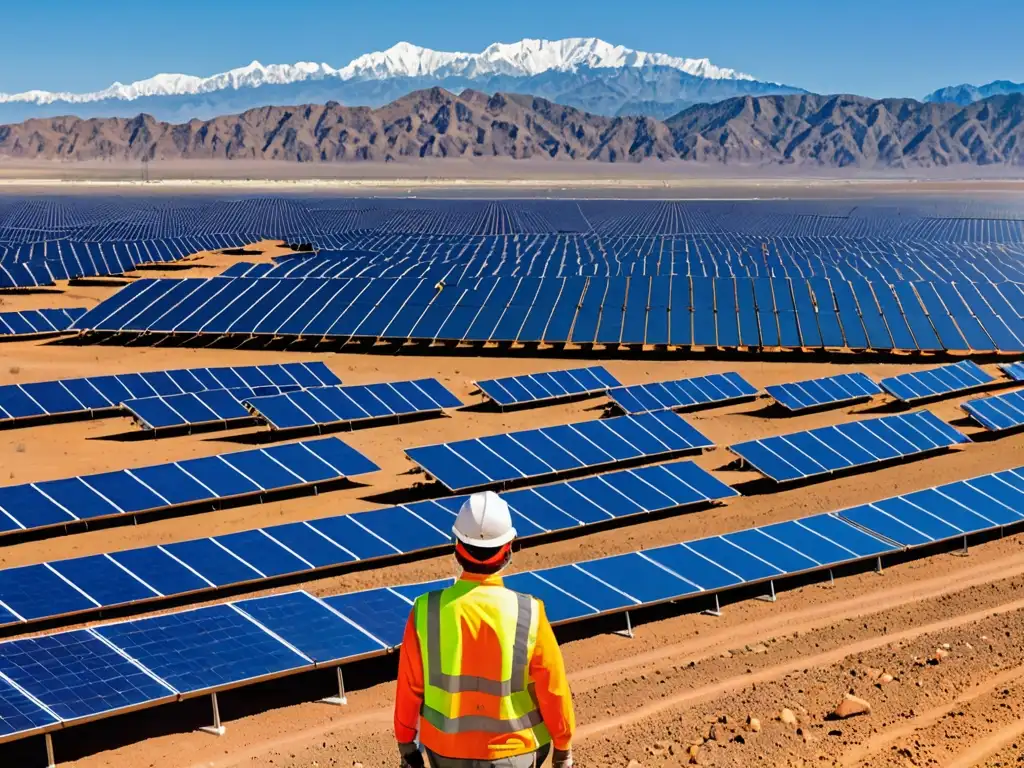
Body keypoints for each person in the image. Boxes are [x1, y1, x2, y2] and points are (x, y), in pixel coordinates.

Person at [394, 491, 576, 768]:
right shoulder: (529, 613)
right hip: (516, 753)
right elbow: (553, 689)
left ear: (457, 547)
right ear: (508, 549)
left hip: (445, 752)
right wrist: (563, 747)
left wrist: (406, 743)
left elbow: (410, 687)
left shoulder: (425, 611)